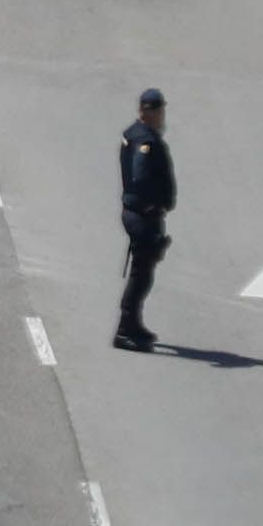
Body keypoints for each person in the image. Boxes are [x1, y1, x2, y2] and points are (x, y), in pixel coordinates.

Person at [116, 84, 174, 350]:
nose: (161, 116)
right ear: (147, 112)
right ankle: (124, 330)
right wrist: (151, 204)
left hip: (137, 213)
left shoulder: (133, 134)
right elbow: (140, 174)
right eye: (158, 111)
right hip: (142, 215)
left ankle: (134, 324)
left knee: (145, 272)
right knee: (141, 275)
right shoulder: (146, 141)